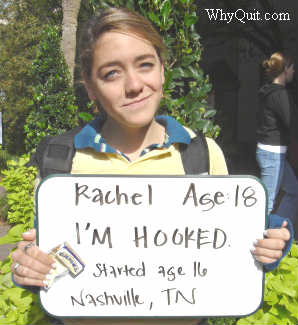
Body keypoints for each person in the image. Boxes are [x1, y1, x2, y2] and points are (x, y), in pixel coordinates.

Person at [11, 8, 292, 325]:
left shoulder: (199, 154)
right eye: (111, 73)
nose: (133, 85)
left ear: (162, 70)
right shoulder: (61, 159)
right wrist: (29, 268)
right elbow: (44, 258)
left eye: (145, 65)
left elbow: (233, 241)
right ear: (90, 87)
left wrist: (272, 242)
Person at [256, 52, 298, 227]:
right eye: (293, 68)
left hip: (273, 152)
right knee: (267, 203)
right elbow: (291, 122)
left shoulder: (270, 92)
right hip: (272, 154)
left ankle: (277, 228)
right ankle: (256, 239)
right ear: (285, 70)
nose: (294, 72)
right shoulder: (280, 94)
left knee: (293, 191)